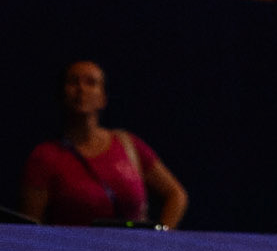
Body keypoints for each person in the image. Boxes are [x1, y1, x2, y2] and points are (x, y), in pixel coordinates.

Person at [20, 60, 187, 228]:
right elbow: (30, 227)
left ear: (103, 97)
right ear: (62, 93)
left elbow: (176, 194)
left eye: (91, 82)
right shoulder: (45, 157)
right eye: (73, 82)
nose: (81, 89)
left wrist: (160, 241)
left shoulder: (127, 144)